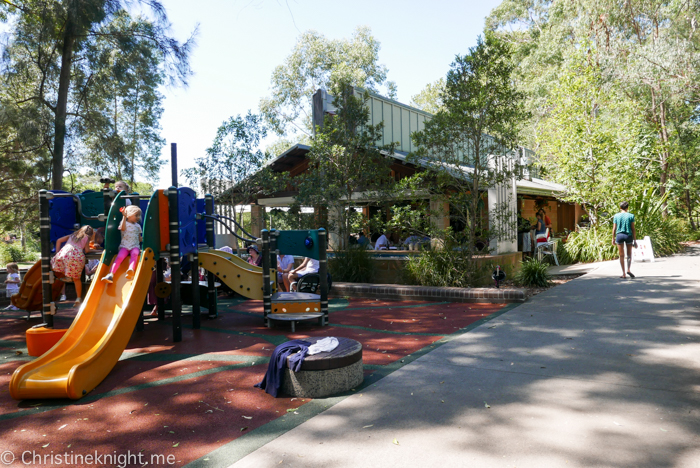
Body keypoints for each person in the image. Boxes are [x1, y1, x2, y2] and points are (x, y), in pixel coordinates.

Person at [52, 225, 95, 307]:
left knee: (62, 266)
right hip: (77, 255)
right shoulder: (86, 237)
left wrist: (57, 253)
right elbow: (87, 250)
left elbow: (58, 240)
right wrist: (98, 250)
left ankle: (67, 277)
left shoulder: (72, 235)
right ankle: (78, 298)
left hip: (65, 253)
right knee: (77, 279)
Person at [102, 205, 142, 283]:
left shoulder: (138, 226)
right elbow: (123, 228)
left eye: (139, 215)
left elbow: (139, 238)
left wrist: (143, 238)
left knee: (135, 253)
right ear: (129, 215)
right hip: (125, 246)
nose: (138, 217)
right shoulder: (124, 223)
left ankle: (131, 270)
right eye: (136, 215)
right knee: (119, 257)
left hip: (134, 246)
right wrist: (124, 216)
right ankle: (111, 274)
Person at [612, 201, 638, 279]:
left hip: (619, 236)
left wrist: (613, 238)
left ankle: (623, 273)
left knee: (621, 255)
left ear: (620, 208)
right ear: (627, 207)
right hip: (628, 235)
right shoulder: (631, 216)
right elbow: (633, 228)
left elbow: (614, 228)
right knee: (629, 255)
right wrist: (635, 240)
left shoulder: (616, 216)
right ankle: (629, 269)